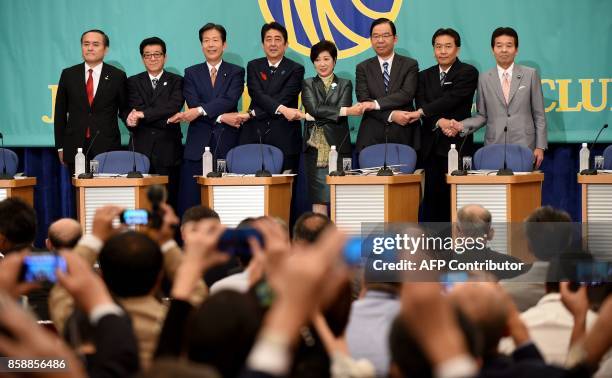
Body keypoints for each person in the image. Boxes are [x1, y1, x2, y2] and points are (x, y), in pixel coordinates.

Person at [168, 23, 247, 214]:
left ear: (224, 44)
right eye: (206, 41)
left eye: (215, 40)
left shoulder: (236, 71)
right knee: (192, 202)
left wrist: (201, 111)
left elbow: (229, 99)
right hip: (198, 144)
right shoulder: (191, 72)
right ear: (201, 45)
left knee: (226, 203)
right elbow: (193, 103)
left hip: (226, 143)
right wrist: (221, 117)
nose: (211, 45)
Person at [451, 27, 547, 168]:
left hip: (525, 145)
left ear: (516, 49)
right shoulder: (484, 78)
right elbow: (482, 115)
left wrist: (540, 147)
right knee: (496, 189)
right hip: (493, 145)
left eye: (509, 45)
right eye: (499, 45)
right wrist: (461, 125)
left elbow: (539, 114)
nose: (504, 50)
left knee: (522, 188)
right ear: (492, 49)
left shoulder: (530, 74)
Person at [415, 28, 478, 222]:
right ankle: (434, 250)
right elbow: (421, 104)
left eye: (448, 46)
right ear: (433, 49)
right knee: (433, 203)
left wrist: (438, 118)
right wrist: (439, 122)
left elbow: (453, 99)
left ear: (457, 49)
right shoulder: (423, 76)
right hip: (431, 147)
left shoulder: (468, 72)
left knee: (459, 201)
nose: (443, 51)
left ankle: (460, 248)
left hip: (458, 143)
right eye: (438, 46)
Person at [301, 40, 363, 214]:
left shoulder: (345, 83)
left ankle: (339, 239)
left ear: (334, 60)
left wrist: (318, 114)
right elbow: (313, 108)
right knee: (318, 199)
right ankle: (320, 239)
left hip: (339, 144)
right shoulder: (307, 84)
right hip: (315, 148)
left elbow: (331, 109)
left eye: (326, 59)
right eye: (318, 59)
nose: (322, 63)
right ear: (313, 62)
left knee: (340, 198)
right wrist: (344, 111)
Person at [54, 29, 128, 173]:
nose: (90, 48)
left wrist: (133, 120)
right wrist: (61, 146)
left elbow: (124, 109)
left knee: (105, 192)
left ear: (105, 49)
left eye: (95, 44)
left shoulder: (117, 76)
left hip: (107, 145)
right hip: (75, 146)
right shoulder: (68, 74)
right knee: (79, 193)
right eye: (86, 44)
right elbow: (60, 113)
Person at [238, 21, 306, 172]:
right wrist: (281, 109)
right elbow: (256, 94)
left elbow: (285, 97)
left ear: (286, 44)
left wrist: (253, 113)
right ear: (263, 44)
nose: (273, 44)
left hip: (284, 135)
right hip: (254, 134)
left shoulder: (296, 69)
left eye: (278, 39)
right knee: (251, 188)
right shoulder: (253, 66)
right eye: (268, 39)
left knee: (284, 190)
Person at [126, 37, 184, 207]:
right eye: (147, 55)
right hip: (140, 149)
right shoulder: (132, 82)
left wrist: (143, 114)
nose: (152, 59)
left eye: (157, 54)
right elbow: (135, 106)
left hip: (168, 149)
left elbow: (172, 107)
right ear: (142, 58)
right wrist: (159, 115)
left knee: (168, 201)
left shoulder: (177, 81)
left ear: (165, 57)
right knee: (139, 202)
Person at [354, 18, 419, 152]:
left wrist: (375, 104)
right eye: (376, 36)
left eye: (385, 35)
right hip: (371, 137)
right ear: (371, 40)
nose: (380, 40)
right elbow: (364, 100)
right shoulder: (363, 68)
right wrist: (391, 115)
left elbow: (406, 94)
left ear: (395, 39)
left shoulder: (410, 64)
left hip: (404, 134)